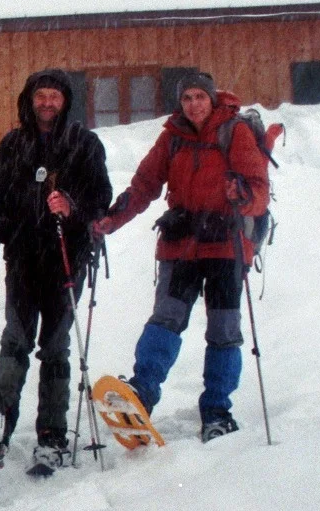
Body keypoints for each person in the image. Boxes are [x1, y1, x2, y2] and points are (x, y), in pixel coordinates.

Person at [92, 71, 270, 441]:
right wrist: (113, 218)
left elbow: (260, 191)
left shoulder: (234, 132)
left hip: (225, 247)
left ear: (211, 98)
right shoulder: (172, 136)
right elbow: (144, 185)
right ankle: (143, 392)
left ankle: (217, 409)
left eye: (199, 97)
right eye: (187, 98)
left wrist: (244, 196)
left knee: (223, 330)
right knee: (166, 320)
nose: (193, 104)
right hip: (182, 244)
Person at [0, 69, 112, 472]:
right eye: (41, 95)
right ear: (30, 99)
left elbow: (101, 197)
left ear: (65, 101)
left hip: (66, 258)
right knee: (15, 341)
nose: (47, 102)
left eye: (54, 96)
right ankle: (0, 426)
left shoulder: (85, 144)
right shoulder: (14, 144)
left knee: (55, 347)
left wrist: (72, 207)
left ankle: (51, 435)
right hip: (22, 257)